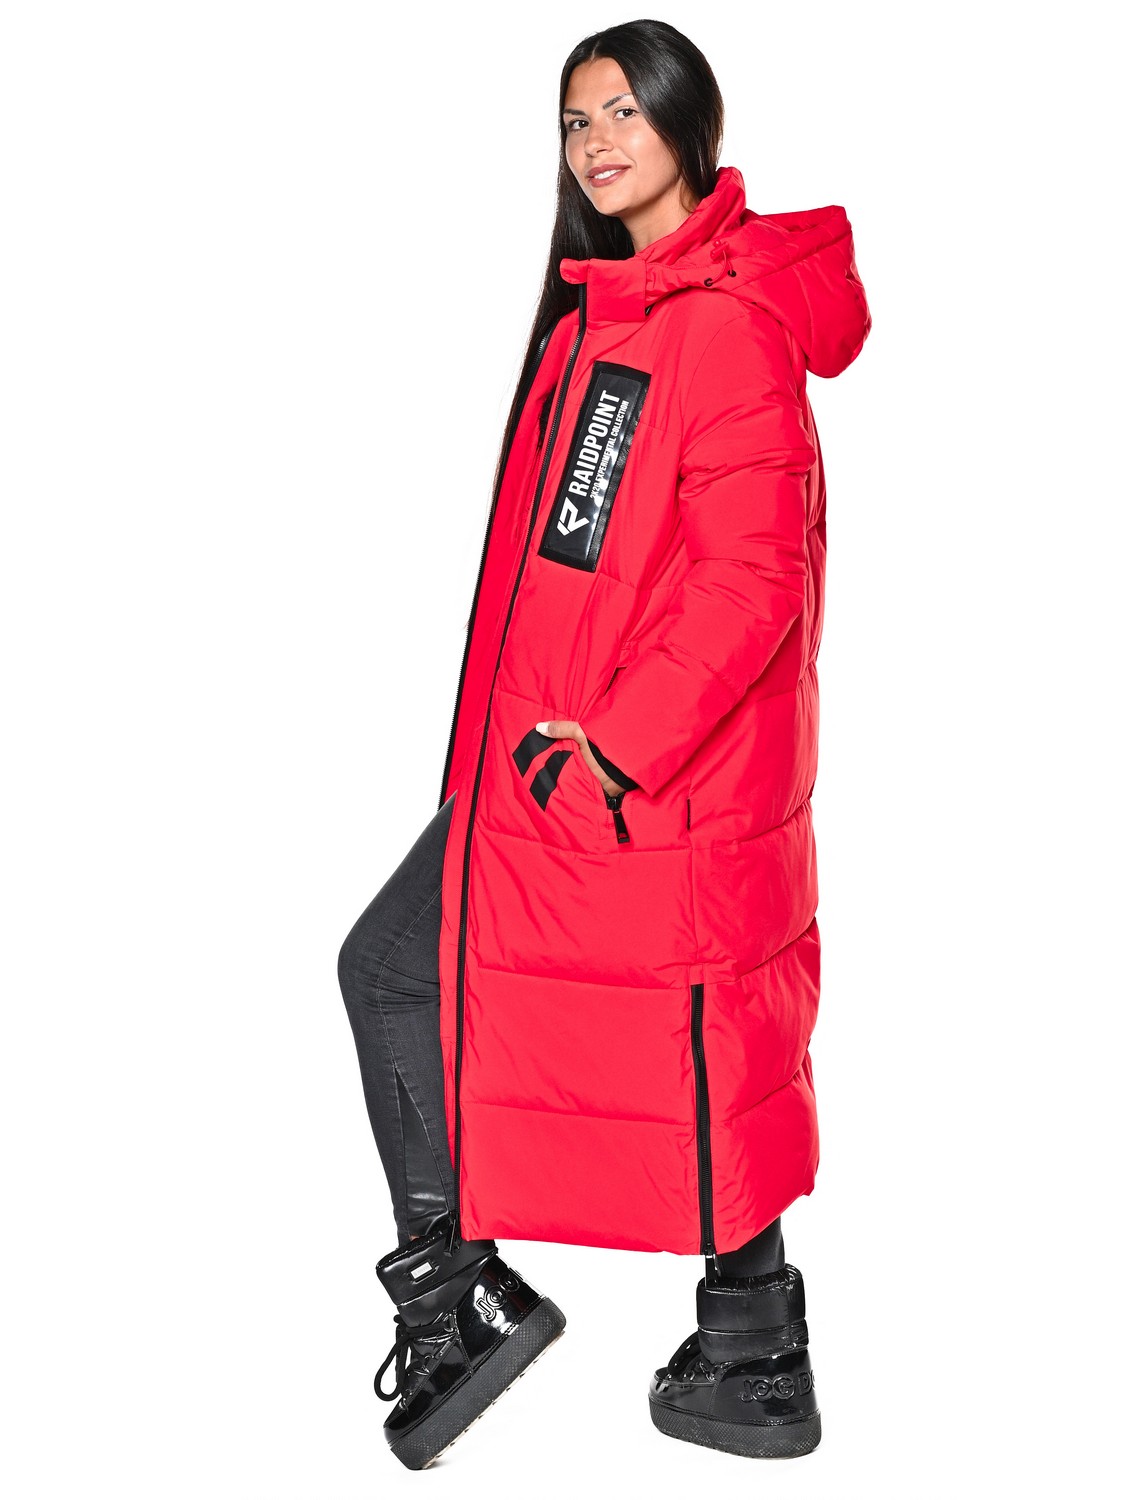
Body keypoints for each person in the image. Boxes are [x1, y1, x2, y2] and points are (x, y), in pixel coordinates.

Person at [338, 17, 870, 1472]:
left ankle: (461, 1304)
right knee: (689, 1037)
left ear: (692, 124)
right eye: (575, 122)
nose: (595, 143)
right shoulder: (608, 317)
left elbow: (750, 580)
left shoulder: (719, 325)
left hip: (645, 784)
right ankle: (750, 1350)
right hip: (560, 779)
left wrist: (616, 750)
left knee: (450, 982)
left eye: (624, 111)